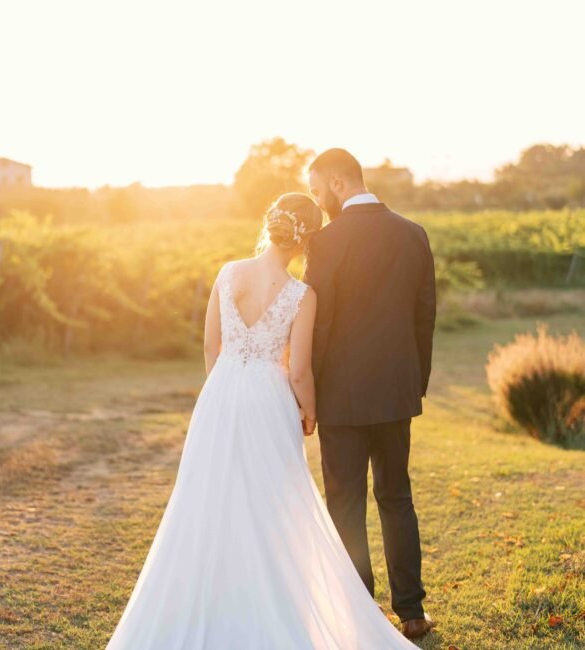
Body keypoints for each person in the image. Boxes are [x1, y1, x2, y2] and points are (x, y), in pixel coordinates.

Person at [106, 192, 418, 648]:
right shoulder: (301, 295)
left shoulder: (228, 273)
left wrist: (226, 392)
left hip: (220, 397)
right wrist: (309, 412)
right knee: (274, 504)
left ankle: (213, 601)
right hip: (270, 402)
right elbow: (298, 370)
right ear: (308, 239)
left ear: (270, 224)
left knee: (209, 500)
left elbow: (211, 348)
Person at [304, 148, 437, 640]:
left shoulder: (327, 241)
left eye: (318, 191)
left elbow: (318, 324)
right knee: (397, 497)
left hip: (341, 396)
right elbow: (425, 316)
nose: (318, 203)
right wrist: (413, 383)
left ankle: (358, 611)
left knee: (345, 503)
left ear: (338, 183)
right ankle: (412, 612)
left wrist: (308, 393)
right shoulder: (413, 234)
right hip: (396, 394)